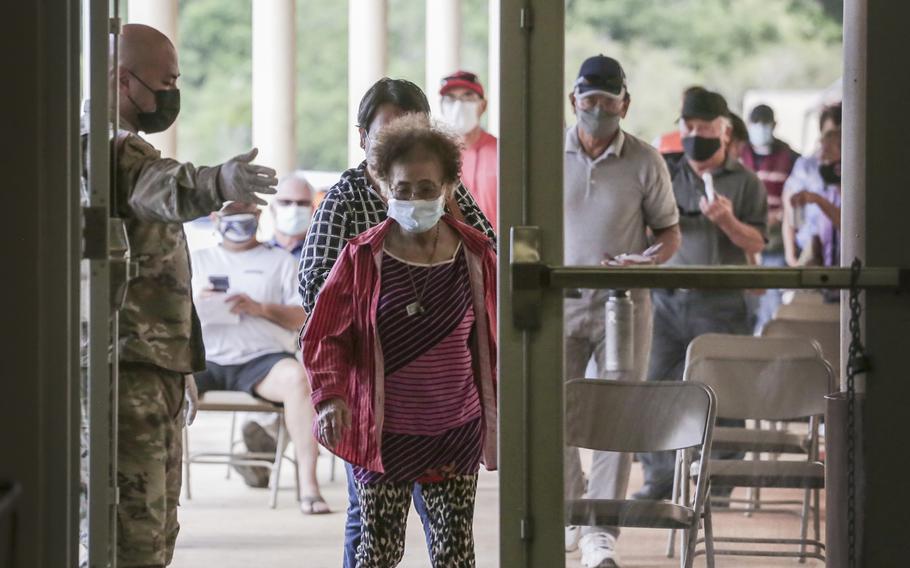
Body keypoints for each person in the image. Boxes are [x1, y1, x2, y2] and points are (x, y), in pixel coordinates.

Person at [80, 23, 278, 567]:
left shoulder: (124, 149)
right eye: (164, 81)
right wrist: (221, 182)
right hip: (126, 369)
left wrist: (183, 364)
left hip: (153, 365)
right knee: (132, 538)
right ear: (123, 81)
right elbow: (163, 188)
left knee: (157, 531)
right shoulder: (107, 151)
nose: (173, 92)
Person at [298, 77, 495, 568]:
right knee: (375, 548)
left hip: (454, 427)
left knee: (453, 552)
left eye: (427, 189)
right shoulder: (358, 248)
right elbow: (321, 319)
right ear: (383, 179)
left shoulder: (471, 247)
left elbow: (496, 315)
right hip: (381, 426)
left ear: (448, 183)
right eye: (403, 189)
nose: (414, 198)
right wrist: (331, 394)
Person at [562, 55, 681, 568]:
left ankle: (601, 529)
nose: (598, 109)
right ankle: (572, 507)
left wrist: (647, 259)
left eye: (608, 101)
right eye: (589, 99)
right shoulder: (547, 152)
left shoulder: (646, 160)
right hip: (558, 300)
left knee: (617, 412)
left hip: (624, 303)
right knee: (553, 408)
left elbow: (669, 233)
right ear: (574, 101)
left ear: (625, 104)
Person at [635, 88, 768, 501]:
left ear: (724, 132)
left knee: (722, 392)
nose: (696, 135)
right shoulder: (666, 173)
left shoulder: (746, 183)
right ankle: (658, 478)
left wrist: (727, 221)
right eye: (689, 127)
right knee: (655, 384)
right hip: (666, 299)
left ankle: (720, 481)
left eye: (705, 128)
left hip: (721, 301)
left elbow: (758, 241)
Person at [190, 201, 328, 514]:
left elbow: (302, 317)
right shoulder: (197, 261)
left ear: (259, 216)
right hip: (206, 358)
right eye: (230, 213)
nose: (239, 221)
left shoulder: (280, 262)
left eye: (246, 213)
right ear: (215, 219)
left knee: (297, 379)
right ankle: (161, 482)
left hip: (262, 360)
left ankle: (308, 485)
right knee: (166, 382)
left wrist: (260, 308)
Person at [237, 172, 317, 486]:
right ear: (272, 208)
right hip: (260, 344)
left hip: (306, 341)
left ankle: (264, 443)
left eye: (300, 203)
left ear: (312, 209)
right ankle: (265, 444)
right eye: (286, 202)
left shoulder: (322, 253)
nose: (293, 208)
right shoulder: (257, 255)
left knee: (298, 365)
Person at [740, 104, 800, 330]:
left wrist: (781, 215)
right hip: (744, 243)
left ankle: (766, 345)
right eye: (757, 125)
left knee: (772, 302)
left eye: (766, 124)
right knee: (746, 301)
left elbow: (796, 198)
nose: (761, 130)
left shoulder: (791, 158)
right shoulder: (739, 155)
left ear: (774, 126)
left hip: (775, 243)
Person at [783, 103, 842, 268]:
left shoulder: (851, 176)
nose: (832, 142)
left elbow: (848, 224)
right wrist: (791, 255)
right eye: (829, 135)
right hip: (812, 251)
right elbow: (789, 210)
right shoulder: (807, 166)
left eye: (840, 136)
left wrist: (817, 199)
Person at [439, 70, 499, 230]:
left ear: (483, 105)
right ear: (442, 106)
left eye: (468, 96)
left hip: (498, 249)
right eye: (451, 98)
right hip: (453, 250)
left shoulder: (502, 153)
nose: (459, 105)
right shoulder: (436, 157)